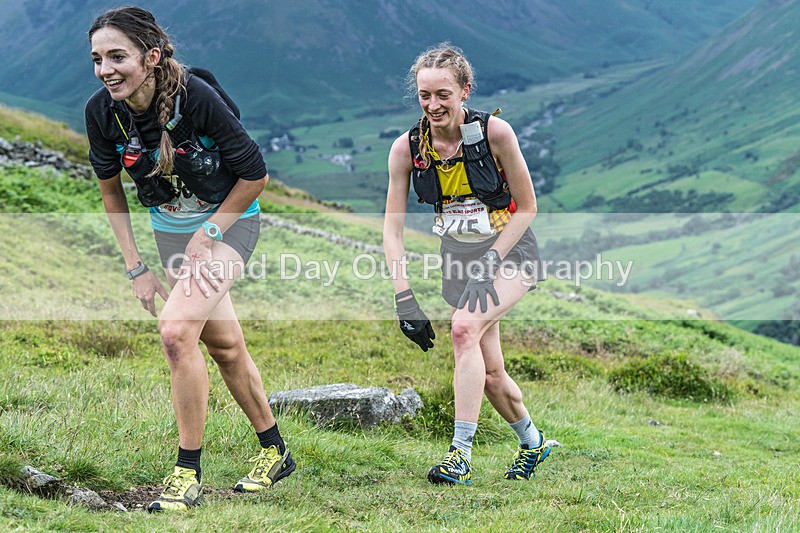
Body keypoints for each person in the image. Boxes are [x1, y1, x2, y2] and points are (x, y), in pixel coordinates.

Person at [85, 6, 294, 512]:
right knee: (222, 346)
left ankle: (186, 474)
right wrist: (136, 266)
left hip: (230, 224)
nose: (106, 69)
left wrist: (211, 230)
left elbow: (255, 175)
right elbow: (111, 191)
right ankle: (275, 451)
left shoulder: (194, 99)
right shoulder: (102, 113)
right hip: (170, 236)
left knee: (177, 332)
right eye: (97, 59)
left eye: (118, 56)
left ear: (151, 57)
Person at [383, 43, 550, 485]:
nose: (433, 105)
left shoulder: (496, 134)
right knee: (491, 374)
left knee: (462, 328)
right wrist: (404, 299)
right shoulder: (407, 150)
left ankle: (459, 456)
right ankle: (534, 443)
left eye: (443, 94)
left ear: (465, 91)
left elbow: (529, 207)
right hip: (458, 258)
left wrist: (491, 260)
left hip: (510, 251)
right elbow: (391, 231)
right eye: (424, 96)